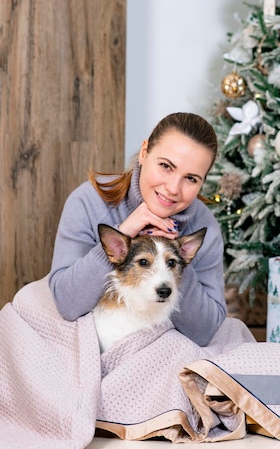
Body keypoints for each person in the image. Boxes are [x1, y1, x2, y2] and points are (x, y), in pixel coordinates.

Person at [48, 112, 227, 347]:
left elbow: (205, 331)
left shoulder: (205, 228)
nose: (173, 188)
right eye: (166, 166)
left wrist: (176, 260)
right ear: (144, 152)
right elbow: (67, 303)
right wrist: (125, 230)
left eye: (191, 178)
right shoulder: (88, 201)